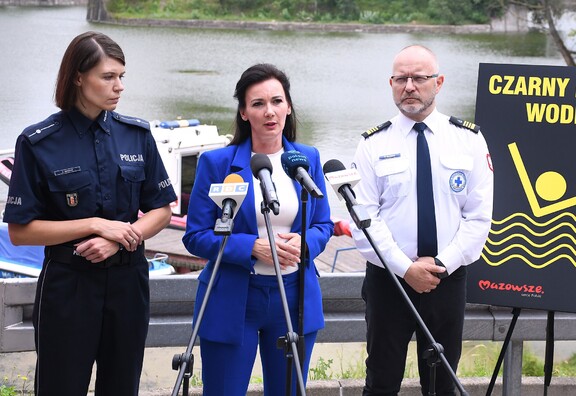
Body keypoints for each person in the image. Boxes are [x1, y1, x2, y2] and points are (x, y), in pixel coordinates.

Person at [3, 31, 177, 396]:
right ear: (78, 77)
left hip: (129, 283)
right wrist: (95, 225)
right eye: (108, 77)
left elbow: (161, 209)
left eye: (121, 77)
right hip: (69, 286)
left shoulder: (136, 135)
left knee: (121, 388)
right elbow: (21, 232)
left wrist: (119, 240)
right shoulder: (38, 142)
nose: (119, 87)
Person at [350, 45, 493, 395]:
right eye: (401, 79)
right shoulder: (372, 143)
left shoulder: (468, 140)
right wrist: (405, 268)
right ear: (391, 83)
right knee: (381, 381)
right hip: (390, 281)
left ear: (439, 82)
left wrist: (441, 263)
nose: (409, 86)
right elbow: (363, 220)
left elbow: (478, 218)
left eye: (419, 78)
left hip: (447, 279)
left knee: (442, 383)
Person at [182, 63, 333, 395]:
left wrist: (305, 244)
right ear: (243, 112)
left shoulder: (307, 159)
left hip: (294, 296)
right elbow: (195, 236)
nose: (270, 112)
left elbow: (323, 224)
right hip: (233, 296)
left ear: (289, 107)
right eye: (258, 103)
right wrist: (251, 247)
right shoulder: (217, 164)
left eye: (277, 101)